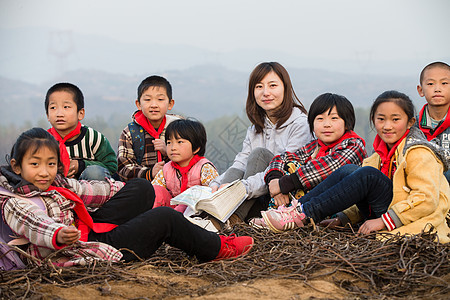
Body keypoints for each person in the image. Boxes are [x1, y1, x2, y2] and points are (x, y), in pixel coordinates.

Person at [0, 128, 254, 267]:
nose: (44, 172)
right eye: (35, 164)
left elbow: (90, 190)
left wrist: (123, 191)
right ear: (17, 166)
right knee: (165, 218)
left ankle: (137, 222)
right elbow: (34, 224)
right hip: (76, 246)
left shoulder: (57, 184)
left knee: (141, 189)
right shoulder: (14, 201)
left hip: (87, 227)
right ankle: (218, 248)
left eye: (51, 164)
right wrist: (58, 234)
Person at [258, 91, 450, 243]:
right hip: (385, 209)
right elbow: (362, 193)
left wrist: (384, 220)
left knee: (367, 175)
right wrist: (342, 218)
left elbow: (426, 200)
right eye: (381, 119)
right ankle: (295, 212)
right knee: (350, 171)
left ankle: (301, 215)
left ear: (410, 122)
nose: (387, 126)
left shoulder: (418, 152)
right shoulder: (378, 155)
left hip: (411, 219)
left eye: (395, 119)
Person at [210, 62, 313, 224]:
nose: (266, 92)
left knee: (260, 155)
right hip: (255, 194)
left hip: (283, 195)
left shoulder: (300, 124)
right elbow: (240, 162)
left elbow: (286, 168)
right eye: (259, 87)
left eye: (273, 85)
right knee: (237, 169)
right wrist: (216, 185)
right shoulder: (255, 128)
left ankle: (231, 220)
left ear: (286, 88)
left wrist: (240, 189)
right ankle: (213, 216)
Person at [250, 93, 366, 230]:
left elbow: (329, 168)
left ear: (347, 123)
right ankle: (268, 215)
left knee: (299, 169)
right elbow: (282, 158)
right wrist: (275, 180)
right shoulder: (314, 146)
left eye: (334, 119)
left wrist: (284, 184)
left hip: (332, 207)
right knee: (287, 164)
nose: (327, 125)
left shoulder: (354, 144)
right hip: (300, 202)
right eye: (320, 119)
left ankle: (283, 217)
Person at [45, 83, 117, 180]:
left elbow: (112, 166)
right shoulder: (44, 141)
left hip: (90, 190)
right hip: (57, 188)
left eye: (66, 107)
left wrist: (81, 165)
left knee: (95, 173)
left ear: (80, 113)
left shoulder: (93, 138)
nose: (59, 113)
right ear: (47, 116)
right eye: (53, 108)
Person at [117, 75, 182, 182]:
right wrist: (150, 173)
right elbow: (123, 169)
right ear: (138, 104)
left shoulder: (179, 128)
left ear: (170, 104)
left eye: (160, 99)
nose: (154, 105)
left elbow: (193, 159)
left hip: (177, 185)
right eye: (147, 100)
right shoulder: (130, 132)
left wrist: (168, 151)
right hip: (144, 188)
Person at [151, 119, 219, 213]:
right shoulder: (167, 169)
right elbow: (155, 189)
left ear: (196, 148)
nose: (173, 148)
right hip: (171, 211)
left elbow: (213, 195)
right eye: (169, 142)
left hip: (196, 212)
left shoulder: (204, 167)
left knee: (185, 204)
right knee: (155, 191)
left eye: (179, 142)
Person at [415, 61, 450, 182]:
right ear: (420, 90)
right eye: (430, 84)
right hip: (420, 183)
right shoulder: (412, 126)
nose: (437, 89)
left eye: (444, 83)